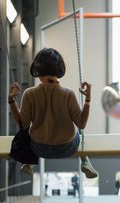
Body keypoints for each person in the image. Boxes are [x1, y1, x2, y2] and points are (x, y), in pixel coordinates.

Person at [8, 47, 98, 179]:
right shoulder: (68, 94)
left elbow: (23, 124)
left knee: (27, 132)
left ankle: (29, 162)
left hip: (39, 148)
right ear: (59, 69)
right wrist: (88, 99)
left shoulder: (29, 94)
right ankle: (85, 161)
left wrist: (11, 101)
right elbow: (82, 123)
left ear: (37, 70)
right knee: (78, 131)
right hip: (66, 148)